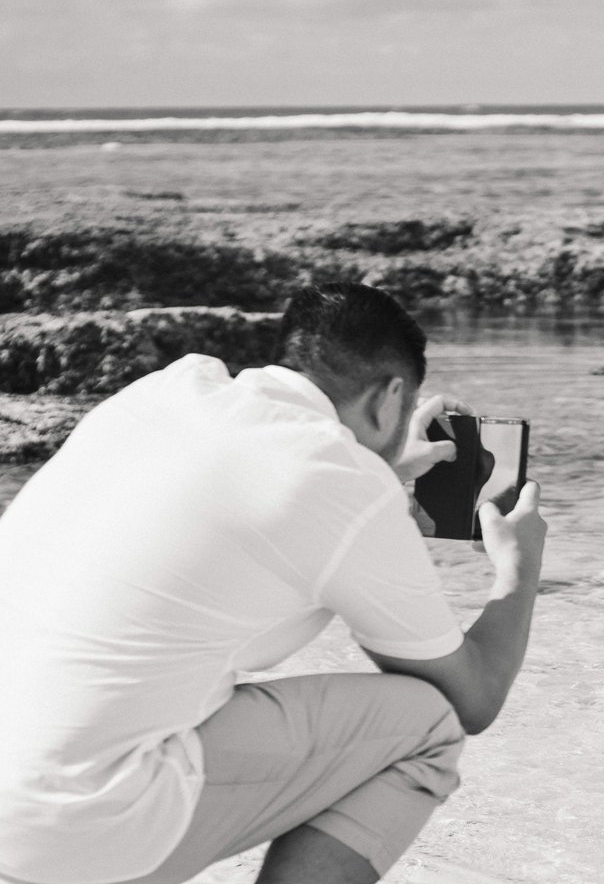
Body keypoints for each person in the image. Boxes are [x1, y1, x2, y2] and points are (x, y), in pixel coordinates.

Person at [0, 282, 547, 884]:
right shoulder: (342, 480)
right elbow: (473, 700)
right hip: (73, 826)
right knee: (427, 726)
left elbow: (254, 491)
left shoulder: (166, 391)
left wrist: (378, 473)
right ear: (391, 396)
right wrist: (518, 569)